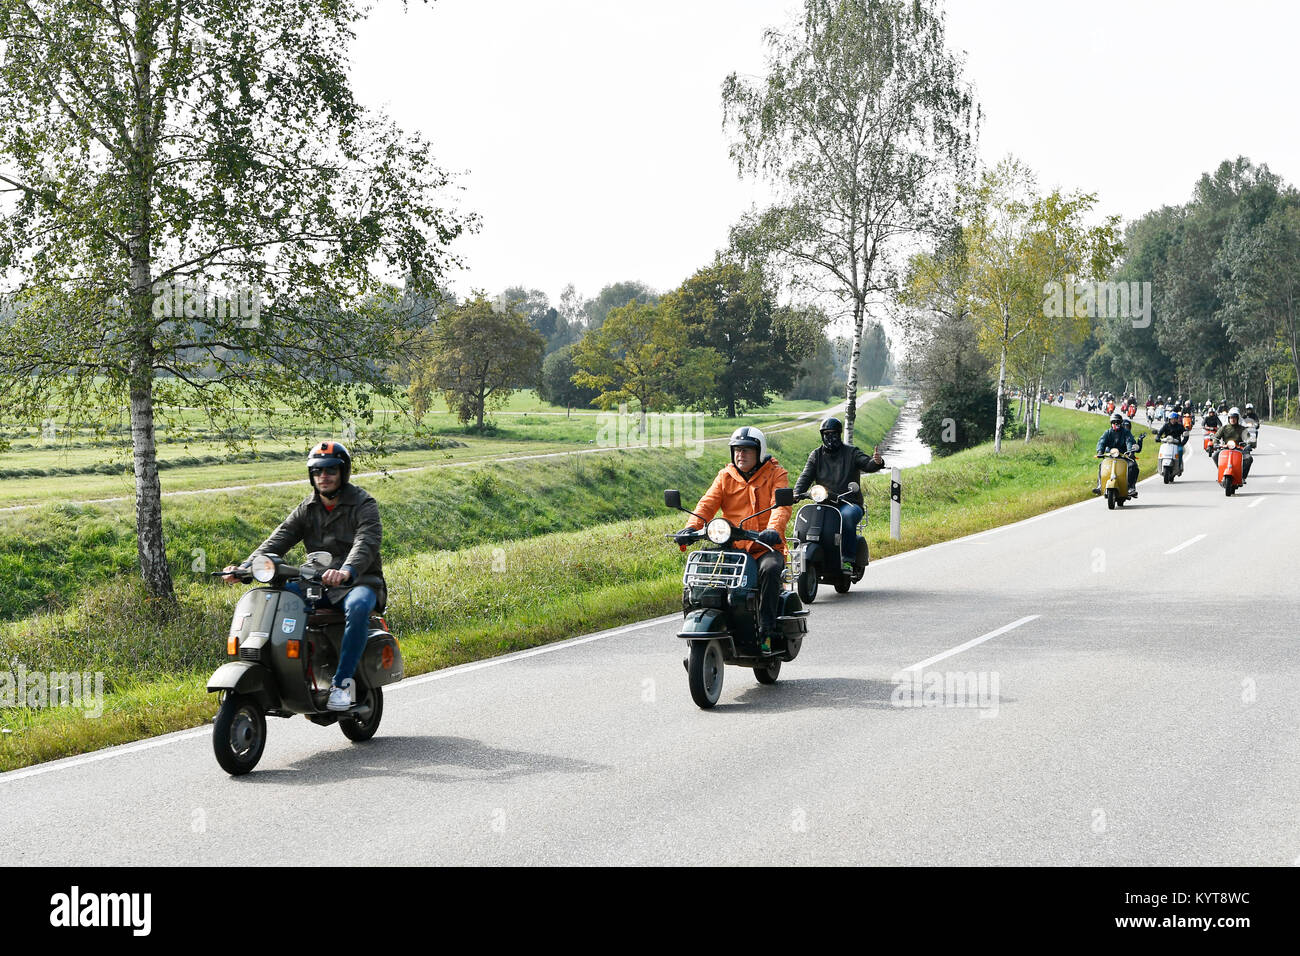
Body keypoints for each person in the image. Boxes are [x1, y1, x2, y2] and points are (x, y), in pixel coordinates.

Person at [222, 441, 386, 711]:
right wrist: (244, 569)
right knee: (278, 599)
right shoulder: (307, 508)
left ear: (343, 473)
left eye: (331, 470)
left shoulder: (363, 503)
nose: (324, 477)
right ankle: (288, 675)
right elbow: (277, 540)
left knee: (357, 608)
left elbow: (366, 542)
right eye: (318, 471)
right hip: (317, 583)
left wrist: (347, 571)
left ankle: (342, 683)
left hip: (359, 581)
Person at [676, 426, 791, 653]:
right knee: (704, 572)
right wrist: (691, 528)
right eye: (737, 450)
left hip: (764, 546)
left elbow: (782, 507)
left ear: (759, 452)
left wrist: (773, 530)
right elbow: (707, 504)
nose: (741, 455)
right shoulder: (725, 476)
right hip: (732, 547)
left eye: (747, 450)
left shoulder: (776, 474)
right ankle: (704, 622)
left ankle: (767, 631)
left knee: (769, 570)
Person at [792, 417, 886, 575]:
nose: (830, 437)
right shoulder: (816, 455)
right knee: (806, 522)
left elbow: (867, 464)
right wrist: (796, 493)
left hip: (849, 503)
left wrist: (876, 462)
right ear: (822, 435)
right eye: (826, 434)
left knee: (846, 518)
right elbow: (805, 476)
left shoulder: (851, 452)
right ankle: (803, 559)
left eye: (833, 433)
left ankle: (848, 559)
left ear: (839, 434)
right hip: (824, 502)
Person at [1094, 412, 1141, 497]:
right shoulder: (1107, 432)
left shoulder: (1126, 432)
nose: (1116, 424)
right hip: (1110, 455)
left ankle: (1130, 488)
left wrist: (1130, 451)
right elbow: (1101, 441)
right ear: (1111, 423)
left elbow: (1129, 441)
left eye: (1118, 422)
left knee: (1133, 466)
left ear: (1121, 423)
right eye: (1114, 422)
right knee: (1102, 465)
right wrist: (1100, 451)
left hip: (1124, 455)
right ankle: (1100, 486)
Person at [1212, 408, 1254, 483]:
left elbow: (1249, 438)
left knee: (1249, 458)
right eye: (1231, 418)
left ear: (1237, 418)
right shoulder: (1224, 428)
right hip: (1225, 448)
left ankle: (1242, 476)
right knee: (1215, 455)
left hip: (1239, 449)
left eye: (1234, 417)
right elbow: (1216, 437)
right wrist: (1215, 443)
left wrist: (1249, 445)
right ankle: (1221, 472)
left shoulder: (1242, 429)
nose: (1232, 419)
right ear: (1228, 419)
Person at [1152, 409, 1189, 476]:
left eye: (1174, 419)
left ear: (1177, 419)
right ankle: (1159, 467)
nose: (1173, 420)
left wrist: (1182, 442)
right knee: (1161, 452)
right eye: (1171, 419)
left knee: (1180, 451)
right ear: (1169, 419)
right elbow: (1160, 432)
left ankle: (1179, 466)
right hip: (1167, 442)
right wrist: (1158, 437)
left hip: (1177, 443)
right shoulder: (1166, 425)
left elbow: (1185, 434)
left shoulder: (1180, 426)